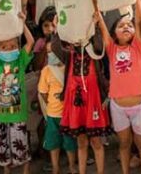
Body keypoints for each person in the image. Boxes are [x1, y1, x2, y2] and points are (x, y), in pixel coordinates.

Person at [95, 0, 141, 174]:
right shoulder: (111, 48)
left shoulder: (137, 46)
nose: (126, 26)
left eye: (129, 25)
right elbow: (100, 22)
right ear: (114, 33)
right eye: (121, 26)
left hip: (139, 106)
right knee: (124, 144)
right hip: (118, 107)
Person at [51, 21, 110, 174]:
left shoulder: (95, 53)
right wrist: (58, 27)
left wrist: (95, 24)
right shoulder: (69, 55)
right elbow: (55, 46)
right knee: (81, 141)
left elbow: (98, 44)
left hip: (93, 102)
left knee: (96, 141)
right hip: (76, 104)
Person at [0, 13, 35, 174]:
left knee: (21, 144)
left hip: (17, 115)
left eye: (13, 46)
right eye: (4, 47)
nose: (8, 49)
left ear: (18, 48)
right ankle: (7, 170)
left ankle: (25, 170)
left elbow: (31, 41)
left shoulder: (20, 59)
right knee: (2, 145)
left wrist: (23, 23)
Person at [38, 37, 77, 174]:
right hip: (53, 114)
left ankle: (72, 166)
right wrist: (51, 103)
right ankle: (56, 168)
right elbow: (43, 92)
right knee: (53, 142)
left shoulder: (70, 67)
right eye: (48, 52)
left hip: (68, 115)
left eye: (54, 51)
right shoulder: (46, 71)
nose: (51, 55)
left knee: (70, 143)